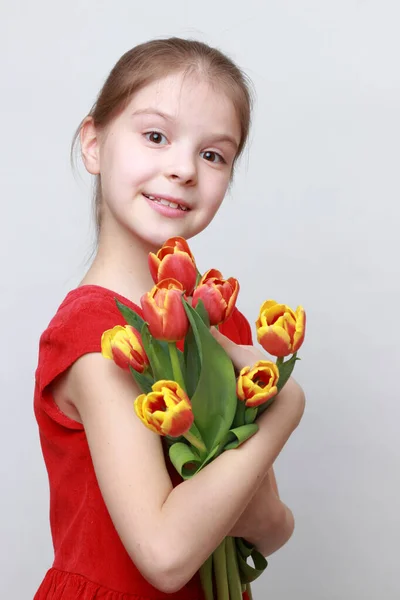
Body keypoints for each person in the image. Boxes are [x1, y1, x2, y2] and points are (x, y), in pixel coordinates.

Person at [33, 37, 305, 599]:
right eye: (155, 136)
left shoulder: (221, 323)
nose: (183, 169)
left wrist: (244, 504)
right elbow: (165, 555)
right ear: (93, 143)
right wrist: (286, 408)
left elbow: (273, 528)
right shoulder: (96, 335)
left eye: (214, 154)